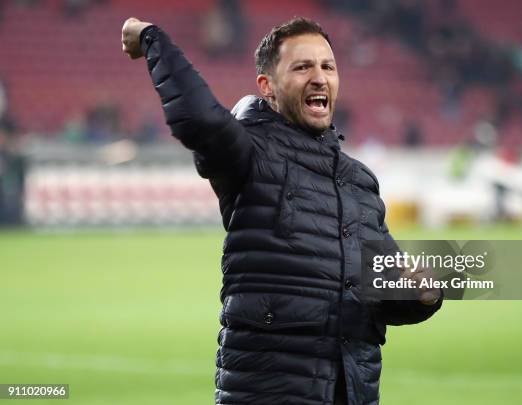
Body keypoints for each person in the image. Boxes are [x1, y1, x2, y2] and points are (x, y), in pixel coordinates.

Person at [121, 16, 442, 404]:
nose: (319, 77)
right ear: (267, 87)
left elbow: (382, 289)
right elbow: (199, 119)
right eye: (302, 66)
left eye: (328, 66)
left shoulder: (359, 183)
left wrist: (420, 294)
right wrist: (153, 40)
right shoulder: (248, 152)